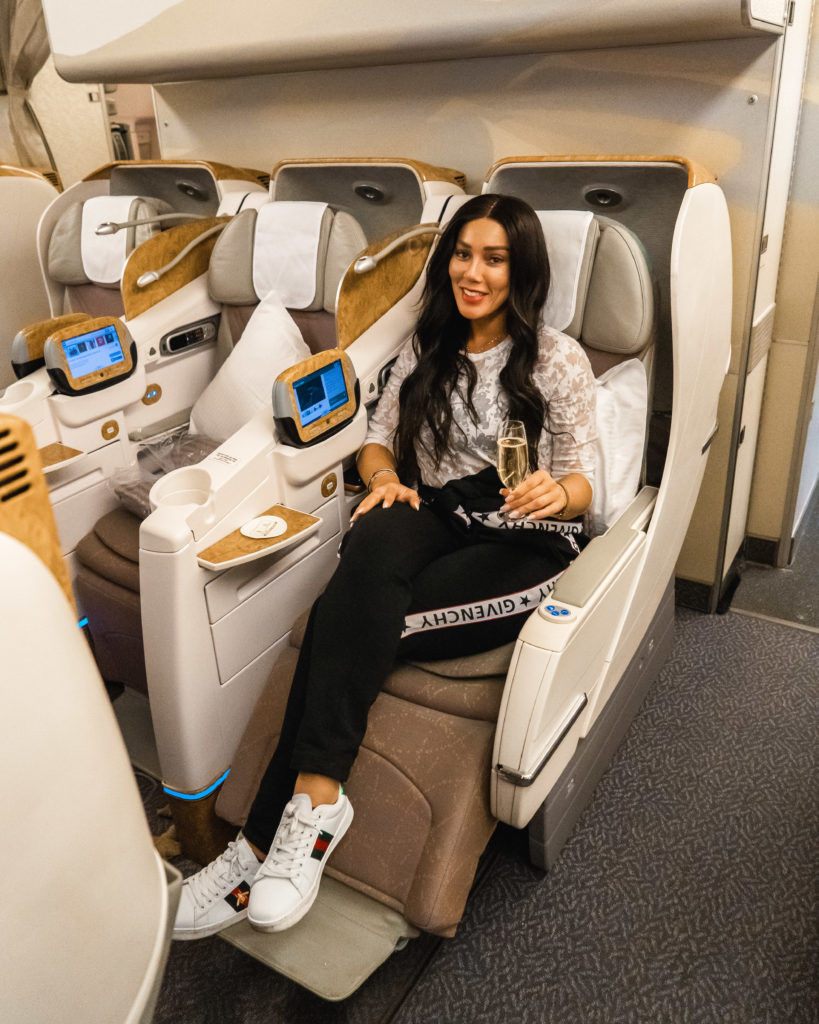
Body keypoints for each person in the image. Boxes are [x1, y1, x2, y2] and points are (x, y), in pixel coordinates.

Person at [172, 193, 598, 940]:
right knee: (373, 538)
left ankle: (255, 846)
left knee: (348, 619)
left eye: (493, 259)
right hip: (434, 510)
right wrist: (382, 478)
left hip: (523, 540)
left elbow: (585, 479)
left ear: (520, 270)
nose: (472, 272)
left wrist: (556, 491)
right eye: (462, 254)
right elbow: (376, 436)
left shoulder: (557, 359)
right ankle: (311, 808)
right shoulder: (427, 344)